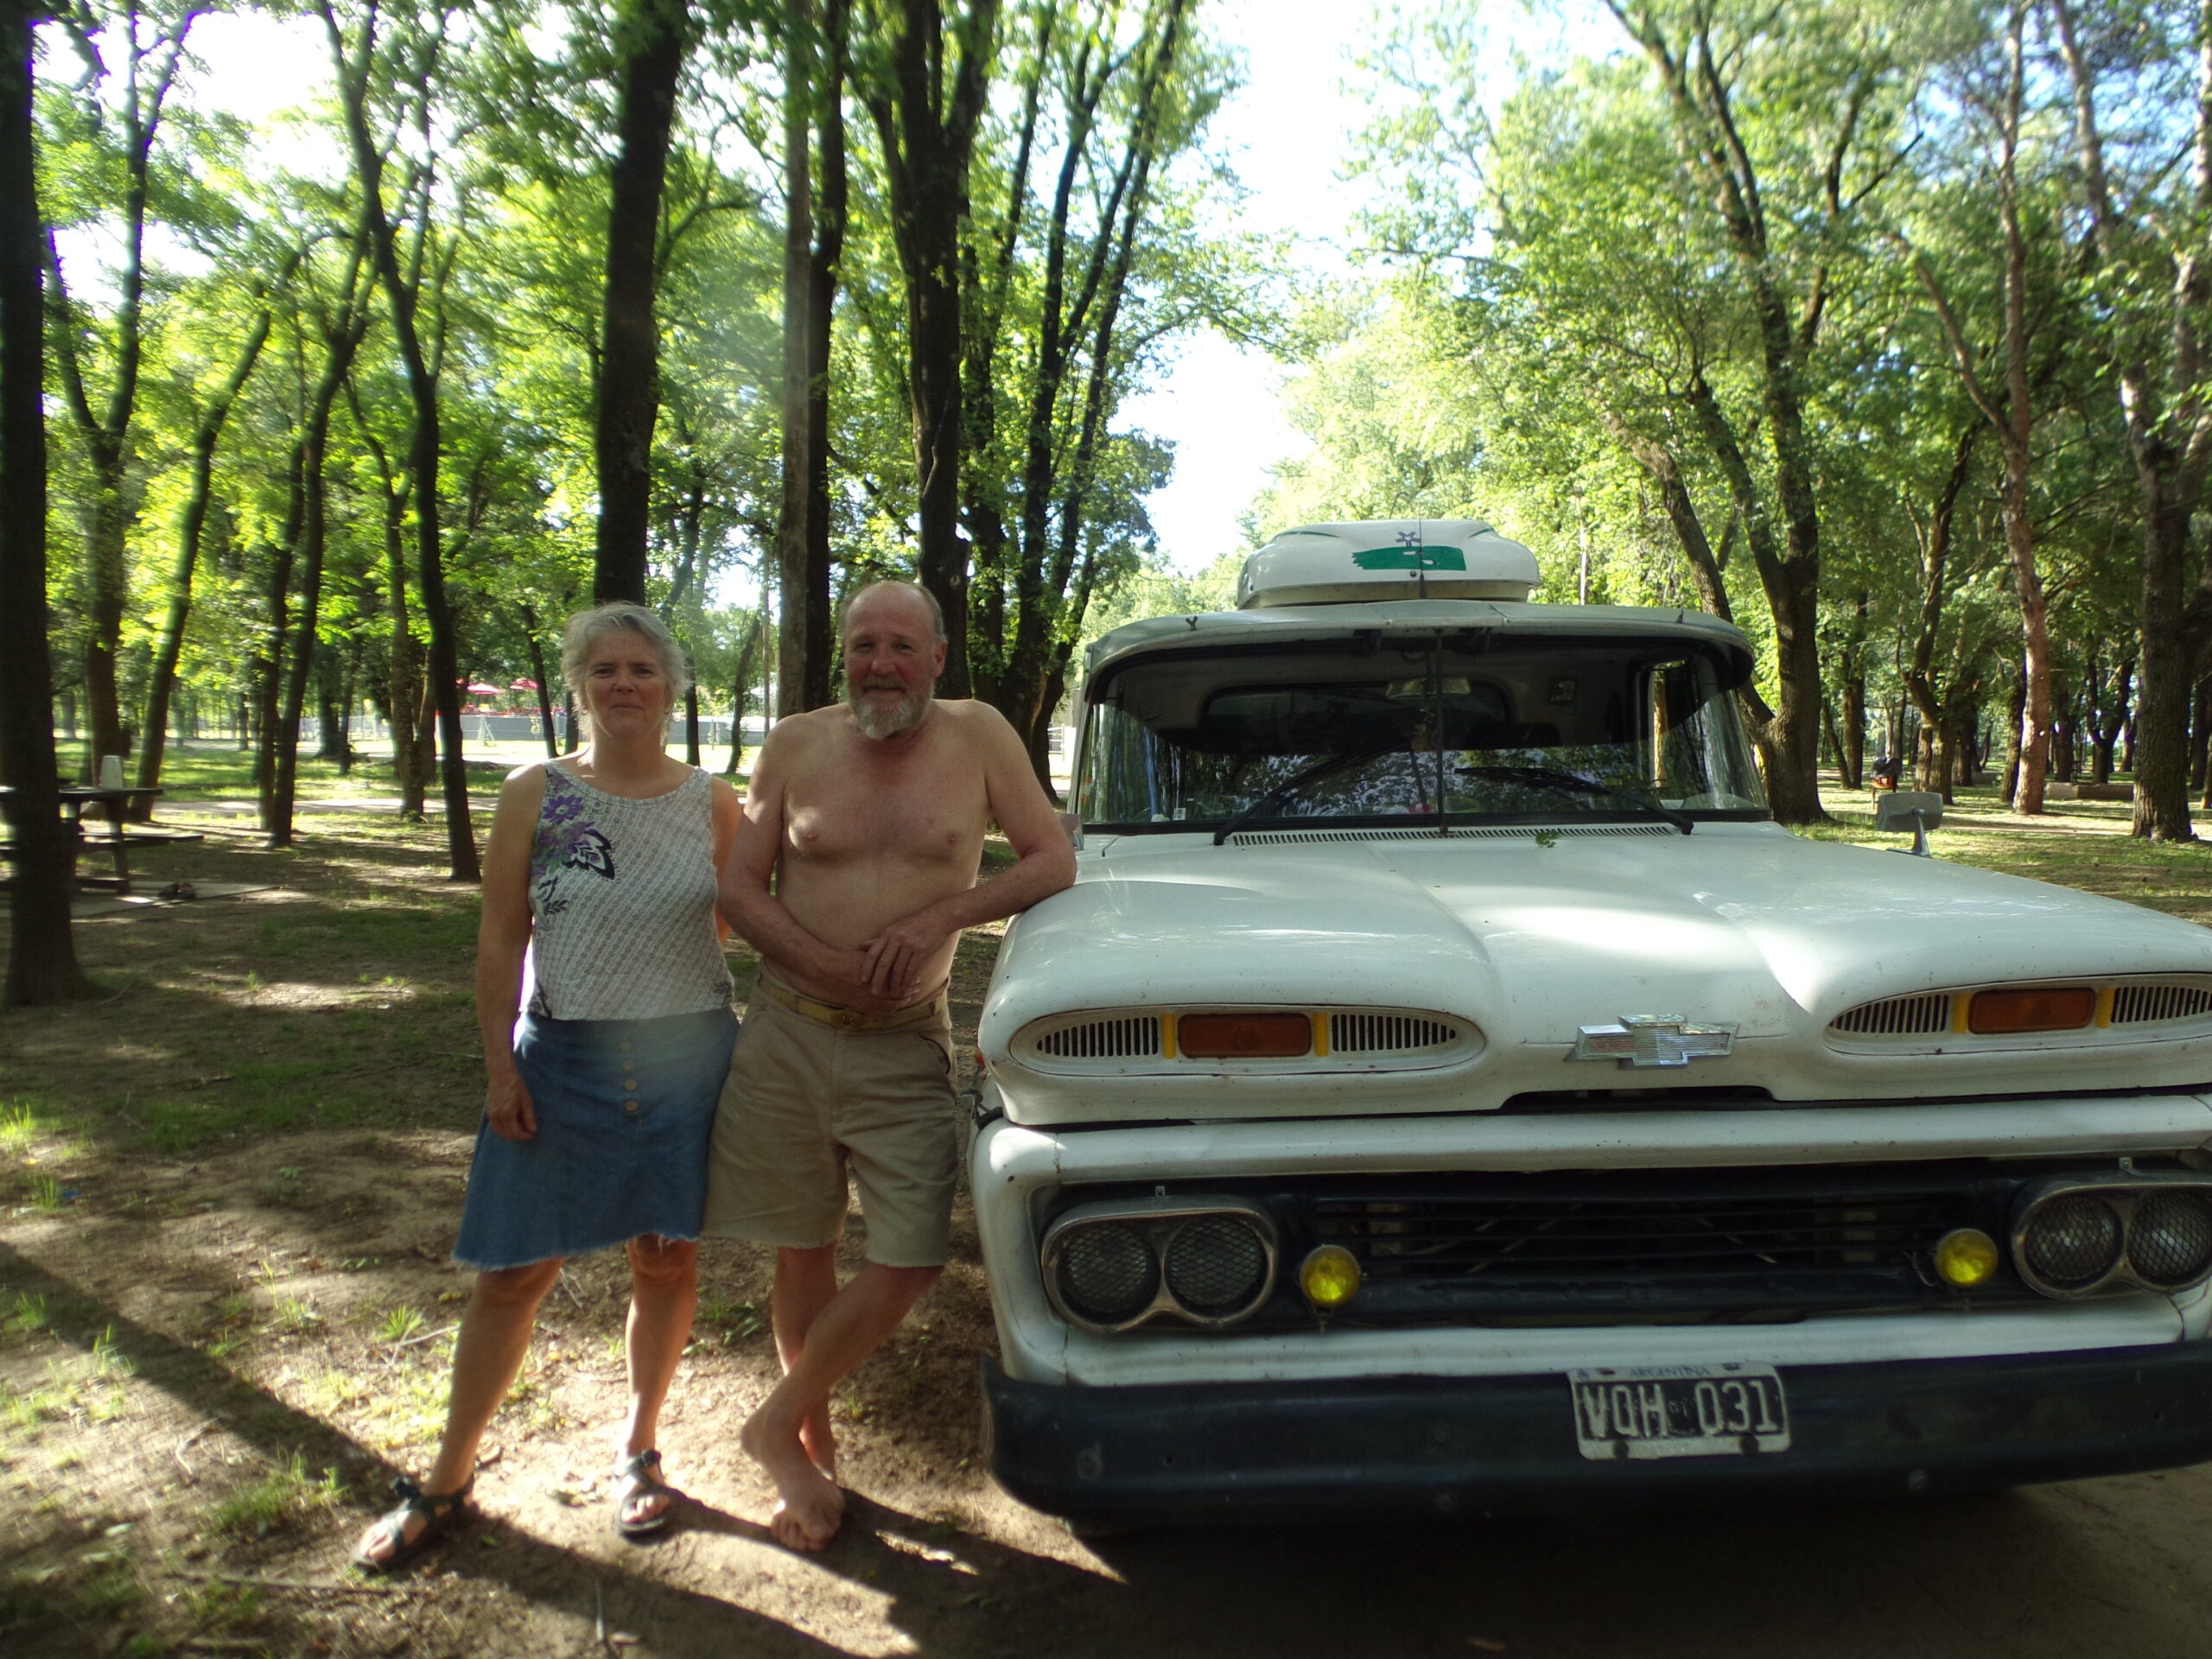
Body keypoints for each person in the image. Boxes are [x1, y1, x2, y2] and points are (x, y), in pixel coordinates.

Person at [352, 603, 742, 1571]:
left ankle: (639, 1451)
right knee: (513, 1272)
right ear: (578, 686)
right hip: (558, 1060)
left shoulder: (714, 802)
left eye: (642, 669)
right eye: (604, 669)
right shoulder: (536, 793)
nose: (624, 685)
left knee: (665, 1259)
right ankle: (447, 1477)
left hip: (686, 1062)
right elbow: (500, 939)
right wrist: (500, 1067)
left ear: (671, 687)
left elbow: (727, 925)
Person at [703, 580, 1077, 1551]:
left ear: (937, 658)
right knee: (801, 1248)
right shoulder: (794, 743)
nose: (880, 664)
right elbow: (740, 888)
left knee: (909, 1257)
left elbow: (1051, 858)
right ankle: (810, 1461)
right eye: (863, 644)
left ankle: (770, 1420)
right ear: (845, 655)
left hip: (906, 1040)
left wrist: (942, 916)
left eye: (902, 646)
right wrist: (821, 963)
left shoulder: (980, 735)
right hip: (786, 1031)